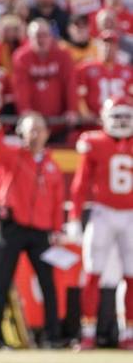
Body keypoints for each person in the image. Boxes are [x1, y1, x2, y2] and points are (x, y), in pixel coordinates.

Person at [0, 112, 64, 349]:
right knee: (1, 282)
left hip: (40, 231)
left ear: (47, 133)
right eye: (30, 129)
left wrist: (57, 229)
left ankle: (53, 337)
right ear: (21, 132)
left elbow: (57, 199)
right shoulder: (14, 156)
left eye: (39, 129)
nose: (34, 134)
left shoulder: (52, 164)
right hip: (13, 227)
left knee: (48, 286)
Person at [67, 96, 133, 350]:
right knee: (92, 272)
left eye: (126, 116)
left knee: (131, 276)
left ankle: (127, 334)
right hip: (103, 213)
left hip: (130, 215)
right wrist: (74, 216)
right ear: (104, 118)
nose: (121, 121)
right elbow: (81, 184)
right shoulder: (93, 142)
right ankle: (88, 332)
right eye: (116, 116)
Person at [12, 19, 77, 141]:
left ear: (51, 36)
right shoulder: (21, 57)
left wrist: (71, 109)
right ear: (29, 37)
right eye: (37, 36)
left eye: (45, 35)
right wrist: (26, 111)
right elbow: (20, 87)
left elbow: (70, 83)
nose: (41, 40)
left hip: (59, 121)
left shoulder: (63, 55)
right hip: (34, 126)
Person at [73, 31, 132, 120]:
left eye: (112, 45)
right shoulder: (85, 68)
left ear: (117, 48)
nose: (108, 48)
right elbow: (76, 92)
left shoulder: (127, 70)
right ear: (98, 47)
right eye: (104, 44)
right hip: (95, 120)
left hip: (121, 120)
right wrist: (85, 113)